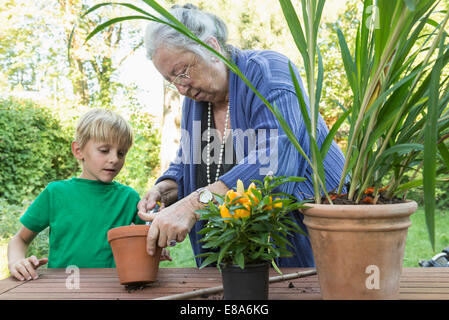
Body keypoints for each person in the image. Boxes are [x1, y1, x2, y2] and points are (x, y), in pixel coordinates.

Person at [138, 4, 346, 267]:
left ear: (212, 47)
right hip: (237, 259)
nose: (181, 88)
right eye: (172, 80)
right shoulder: (196, 100)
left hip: (310, 244)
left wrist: (193, 204)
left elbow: (275, 162)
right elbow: (189, 158)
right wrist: (165, 189)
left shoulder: (269, 71)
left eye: (183, 72)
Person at [8, 108, 170, 281]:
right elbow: (20, 240)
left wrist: (156, 244)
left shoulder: (128, 198)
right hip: (61, 290)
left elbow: (148, 236)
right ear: (78, 150)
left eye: (121, 153)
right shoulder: (55, 193)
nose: (114, 159)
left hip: (113, 290)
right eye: (104, 150)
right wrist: (17, 261)